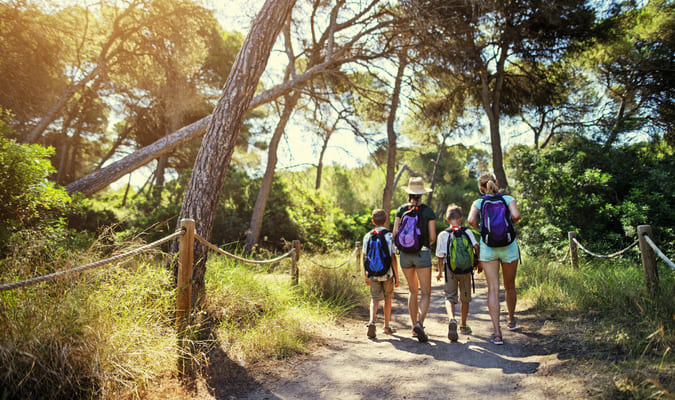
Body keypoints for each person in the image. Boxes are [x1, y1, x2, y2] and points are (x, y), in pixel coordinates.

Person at [467, 173, 521, 345]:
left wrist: (483, 230)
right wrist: (507, 226)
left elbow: (470, 220)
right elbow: (516, 216)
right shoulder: (507, 199)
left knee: (493, 289)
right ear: (496, 183)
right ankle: (511, 320)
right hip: (508, 245)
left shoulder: (479, 202)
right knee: (510, 285)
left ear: (481, 188)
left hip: (488, 247)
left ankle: (497, 333)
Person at [393, 177, 436, 342]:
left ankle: (413, 328)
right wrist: (421, 244)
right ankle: (419, 323)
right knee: (425, 292)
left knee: (412, 291)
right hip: (422, 254)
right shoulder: (427, 211)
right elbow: (432, 237)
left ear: (409, 193)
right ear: (422, 194)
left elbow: (396, 234)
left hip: (404, 255)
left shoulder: (401, 210)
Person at [435, 205, 480, 342]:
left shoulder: (443, 234)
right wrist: (478, 262)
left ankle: (452, 319)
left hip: (450, 269)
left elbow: (440, 255)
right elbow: (476, 247)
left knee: (450, 296)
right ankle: (463, 324)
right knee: (465, 298)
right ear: (461, 219)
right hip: (466, 270)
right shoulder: (468, 232)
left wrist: (439, 271)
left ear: (447, 219)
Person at [363, 209, 400, 339]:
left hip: (372, 273)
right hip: (388, 274)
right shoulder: (389, 236)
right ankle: (386, 326)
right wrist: (397, 276)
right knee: (388, 299)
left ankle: (372, 321)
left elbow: (365, 257)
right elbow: (393, 258)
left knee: (374, 299)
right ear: (385, 221)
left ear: (373, 221)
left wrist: (366, 275)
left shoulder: (367, 236)